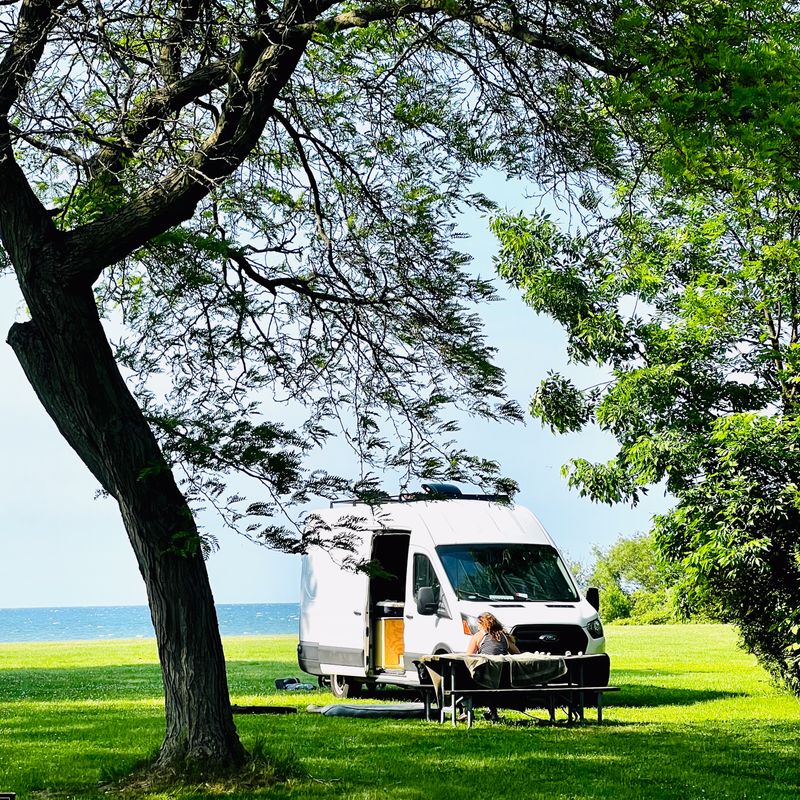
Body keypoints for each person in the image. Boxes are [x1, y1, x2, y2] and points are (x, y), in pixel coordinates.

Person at [465, 612, 519, 721]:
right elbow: (517, 654)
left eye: (478, 625)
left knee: (469, 677)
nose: (478, 627)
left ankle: (466, 711)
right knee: (492, 680)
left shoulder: (478, 636)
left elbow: (468, 656)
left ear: (483, 624)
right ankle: (493, 713)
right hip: (504, 679)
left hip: (483, 677)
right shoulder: (504, 636)